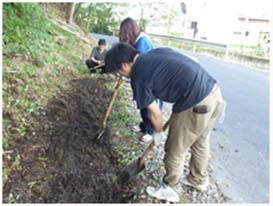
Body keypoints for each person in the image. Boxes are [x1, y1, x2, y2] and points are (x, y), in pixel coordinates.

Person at [104, 43, 224, 202]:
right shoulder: (153, 54)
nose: (122, 76)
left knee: (175, 148)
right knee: (200, 141)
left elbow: (154, 113)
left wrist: (158, 132)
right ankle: (198, 180)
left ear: (125, 65)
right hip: (213, 93)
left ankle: (171, 188)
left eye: (119, 72)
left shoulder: (139, 75)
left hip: (196, 103)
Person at [119, 17, 163, 142]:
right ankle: (144, 125)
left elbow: (138, 64)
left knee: (149, 105)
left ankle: (151, 130)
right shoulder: (137, 41)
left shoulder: (142, 41)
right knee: (143, 104)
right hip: (145, 80)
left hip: (151, 80)